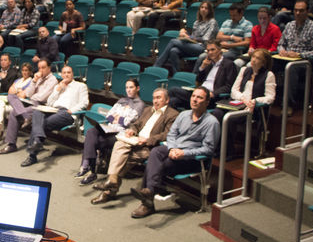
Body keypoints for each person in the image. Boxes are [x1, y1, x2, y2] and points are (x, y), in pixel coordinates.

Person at [129, 87, 219, 219]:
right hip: (174, 150)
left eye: (199, 97)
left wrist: (184, 153)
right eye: (193, 96)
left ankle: (147, 201)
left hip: (191, 160)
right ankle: (149, 193)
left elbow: (209, 149)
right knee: (156, 152)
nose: (194, 99)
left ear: (206, 102)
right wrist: (171, 149)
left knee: (156, 165)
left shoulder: (212, 123)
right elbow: (171, 135)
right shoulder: (183, 115)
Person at [89, 88, 179, 203]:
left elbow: (167, 134)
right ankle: (111, 182)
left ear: (167, 100)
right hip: (134, 141)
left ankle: (109, 188)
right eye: (154, 98)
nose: (155, 101)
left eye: (159, 98)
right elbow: (136, 124)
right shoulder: (148, 110)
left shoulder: (173, 114)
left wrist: (147, 140)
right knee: (119, 143)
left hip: (149, 147)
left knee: (123, 159)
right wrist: (131, 130)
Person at [76, 79, 146, 185]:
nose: (129, 90)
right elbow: (109, 115)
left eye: (131, 87)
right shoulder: (122, 100)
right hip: (109, 128)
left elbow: (127, 122)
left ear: (137, 88)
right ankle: (89, 168)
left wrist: (118, 118)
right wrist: (118, 118)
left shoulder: (140, 104)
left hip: (120, 133)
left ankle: (88, 169)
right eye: (127, 87)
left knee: (93, 141)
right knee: (91, 131)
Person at [20, 65, 89, 167]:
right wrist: (58, 89)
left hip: (67, 113)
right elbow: (49, 102)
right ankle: (38, 143)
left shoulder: (80, 86)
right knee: (37, 113)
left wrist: (72, 110)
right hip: (53, 110)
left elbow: (85, 102)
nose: (66, 75)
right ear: (61, 74)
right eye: (64, 73)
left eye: (68, 72)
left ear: (72, 74)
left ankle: (32, 155)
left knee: (39, 124)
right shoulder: (58, 86)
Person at [213, 49, 276, 155]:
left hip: (252, 108)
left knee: (230, 118)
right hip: (238, 103)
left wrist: (254, 101)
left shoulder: (269, 75)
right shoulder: (244, 70)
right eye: (253, 57)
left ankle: (228, 151)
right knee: (217, 112)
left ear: (264, 62)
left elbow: (270, 97)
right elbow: (234, 90)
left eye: (258, 58)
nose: (254, 60)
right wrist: (243, 98)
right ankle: (218, 147)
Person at [0, 58, 58, 155]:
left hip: (41, 106)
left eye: (43, 67)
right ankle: (11, 144)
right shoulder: (38, 79)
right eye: (39, 68)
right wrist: (34, 80)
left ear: (49, 68)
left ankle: (12, 143)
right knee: (11, 96)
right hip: (31, 103)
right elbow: (28, 93)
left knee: (14, 113)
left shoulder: (53, 80)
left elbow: (42, 97)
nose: (41, 70)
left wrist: (31, 96)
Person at [276, 0, 313, 114]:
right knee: (267, 63)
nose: (297, 13)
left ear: (307, 11)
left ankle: (288, 104)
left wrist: (300, 54)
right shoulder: (289, 25)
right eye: (296, 10)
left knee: (291, 68)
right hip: (286, 58)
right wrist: (282, 50)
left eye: (301, 11)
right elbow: (281, 44)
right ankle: (267, 99)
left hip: (305, 62)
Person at [170, 40, 238, 110]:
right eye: (208, 51)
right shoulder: (209, 64)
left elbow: (228, 86)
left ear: (220, 50)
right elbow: (198, 80)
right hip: (199, 93)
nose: (210, 53)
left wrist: (214, 93)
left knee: (173, 90)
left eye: (212, 50)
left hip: (211, 98)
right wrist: (202, 67)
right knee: (173, 101)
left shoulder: (229, 64)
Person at [154, 1, 218, 74]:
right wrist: (184, 33)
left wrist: (190, 37)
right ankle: (177, 74)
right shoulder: (197, 22)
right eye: (202, 7)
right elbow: (194, 36)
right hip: (193, 45)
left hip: (203, 47)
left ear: (209, 11)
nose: (203, 9)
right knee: (173, 51)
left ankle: (157, 65)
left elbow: (206, 39)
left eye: (206, 8)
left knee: (173, 41)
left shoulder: (212, 22)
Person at [194, 3, 252, 71]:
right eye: (231, 15)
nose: (232, 18)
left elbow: (247, 42)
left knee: (213, 57)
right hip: (221, 48)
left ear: (241, 13)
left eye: (234, 15)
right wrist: (231, 37)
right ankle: (195, 77)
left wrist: (230, 45)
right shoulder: (227, 22)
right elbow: (218, 36)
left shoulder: (247, 24)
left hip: (235, 51)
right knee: (202, 56)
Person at [0, 63, 33, 140]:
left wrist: (16, 91)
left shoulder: (31, 82)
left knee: (1, 107)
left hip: (20, 106)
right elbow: (10, 91)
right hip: (11, 103)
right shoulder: (18, 80)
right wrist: (18, 91)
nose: (24, 72)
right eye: (23, 70)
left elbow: (23, 95)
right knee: (0, 103)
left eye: (26, 70)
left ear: (30, 72)